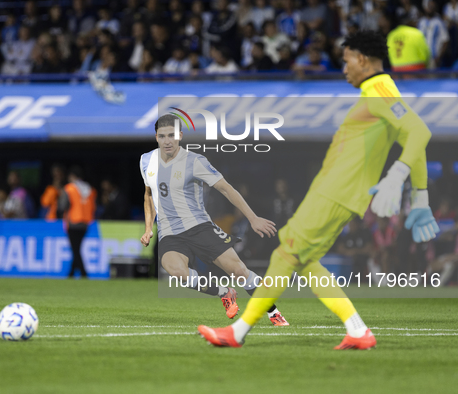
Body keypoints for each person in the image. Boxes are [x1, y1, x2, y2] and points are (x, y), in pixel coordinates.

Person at [198, 31, 439, 349]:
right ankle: (356, 330)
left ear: (362, 59)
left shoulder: (379, 89)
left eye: (346, 60)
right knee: (301, 256)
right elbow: (414, 138)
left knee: (287, 253)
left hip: (336, 192)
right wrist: (419, 195)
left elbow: (419, 131)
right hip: (337, 192)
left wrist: (398, 175)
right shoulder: (381, 90)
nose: (344, 68)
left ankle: (238, 331)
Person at [140, 115, 288, 325]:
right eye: (162, 136)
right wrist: (148, 228)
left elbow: (226, 189)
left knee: (239, 271)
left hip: (199, 227)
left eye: (172, 135)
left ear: (180, 136)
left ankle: (273, 312)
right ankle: (224, 293)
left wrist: (253, 218)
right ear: (156, 137)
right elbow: (148, 195)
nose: (167, 141)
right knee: (177, 272)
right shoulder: (146, 161)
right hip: (170, 233)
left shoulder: (194, 161)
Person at [62, 166, 96, 278]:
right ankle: (71, 273)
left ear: (72, 176)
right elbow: (93, 206)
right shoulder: (89, 188)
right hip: (86, 222)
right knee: (76, 248)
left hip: (73, 221)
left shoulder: (70, 188)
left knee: (75, 249)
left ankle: (83, 273)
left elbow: (63, 205)